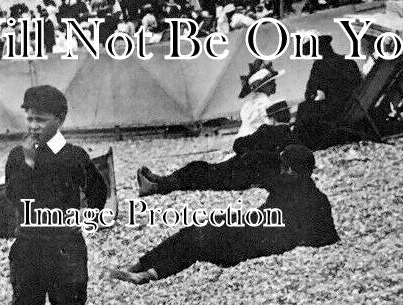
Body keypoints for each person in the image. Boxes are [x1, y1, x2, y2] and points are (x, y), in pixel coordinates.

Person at [112, 145, 338, 284]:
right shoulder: (315, 198)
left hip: (252, 243)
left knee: (199, 238)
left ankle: (147, 271)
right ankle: (144, 267)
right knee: (199, 232)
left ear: (291, 170)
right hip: (255, 234)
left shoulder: (296, 192)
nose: (280, 170)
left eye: (284, 166)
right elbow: (325, 238)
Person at [4, 85, 107, 305]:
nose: (33, 126)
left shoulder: (74, 156)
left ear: (59, 120)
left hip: (66, 247)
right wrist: (27, 164)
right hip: (28, 246)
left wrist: (83, 217)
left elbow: (99, 192)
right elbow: (12, 196)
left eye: (41, 120)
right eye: (30, 119)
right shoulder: (17, 156)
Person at [137, 96, 295, 196]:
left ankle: (158, 185)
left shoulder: (266, 131)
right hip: (251, 175)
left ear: (272, 118)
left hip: (240, 172)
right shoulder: (290, 138)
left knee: (197, 169)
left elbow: (238, 145)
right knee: (200, 171)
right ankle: (159, 182)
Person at [293, 35, 363, 149]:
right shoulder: (349, 61)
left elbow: (309, 93)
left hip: (335, 110)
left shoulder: (319, 65)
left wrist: (316, 96)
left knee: (303, 108)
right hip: (354, 105)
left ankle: (299, 146)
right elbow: (358, 85)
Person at [237, 66, 282, 139]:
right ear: (263, 86)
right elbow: (266, 127)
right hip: (255, 142)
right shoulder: (264, 103)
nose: (275, 84)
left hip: (242, 139)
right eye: (271, 83)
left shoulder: (248, 103)